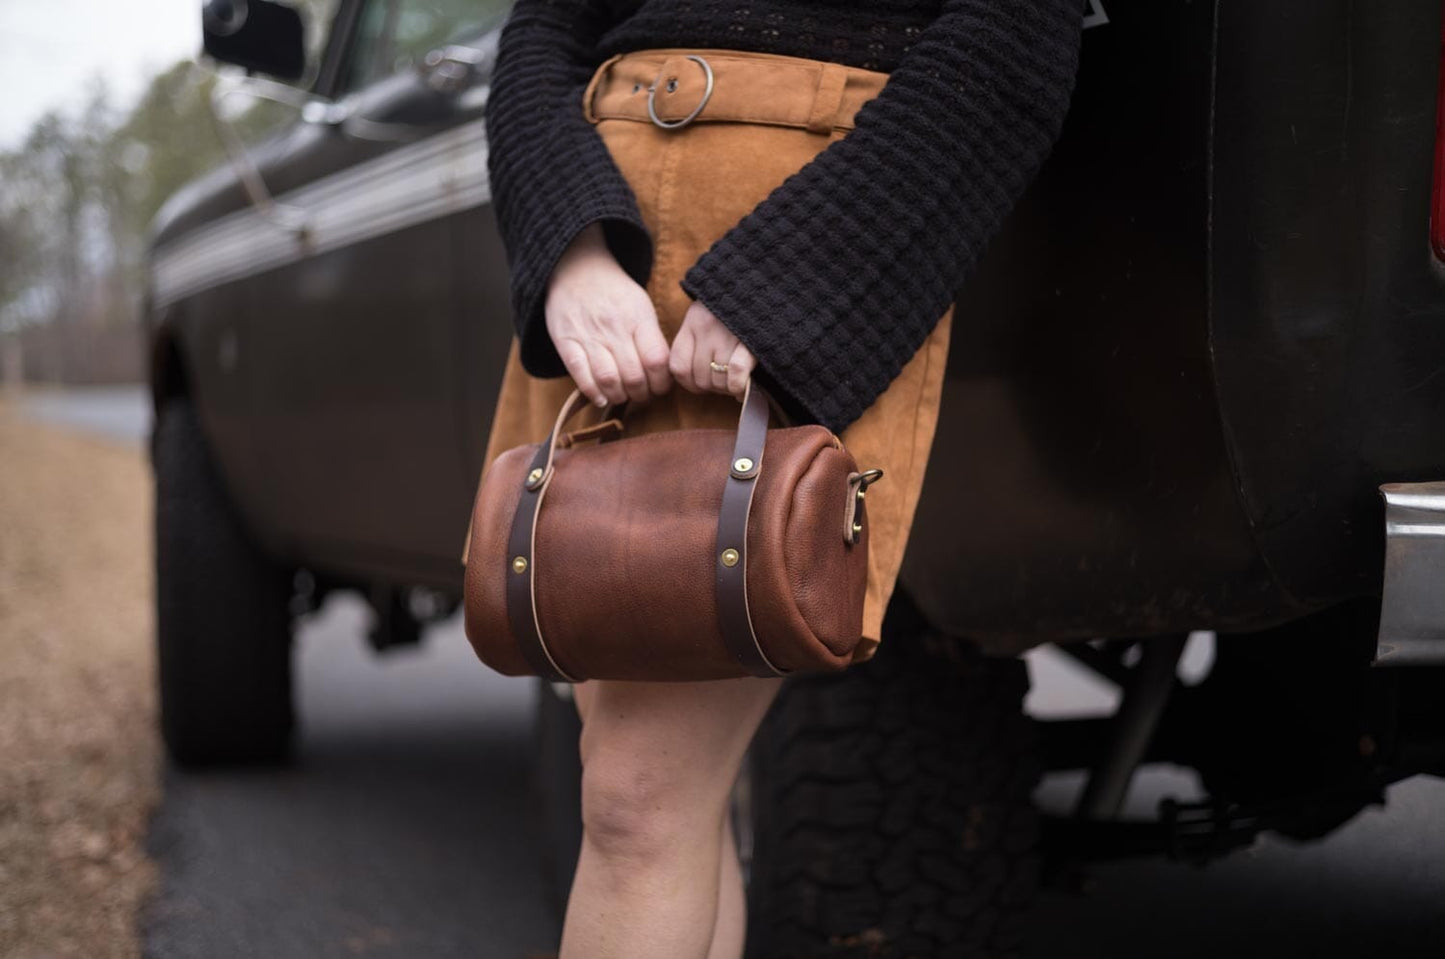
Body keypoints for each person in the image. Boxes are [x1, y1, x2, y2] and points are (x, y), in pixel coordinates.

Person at [479, 2, 1083, 956]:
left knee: (639, 800)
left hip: (805, 225)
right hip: (600, 273)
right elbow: (541, 31)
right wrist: (570, 251)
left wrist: (794, 288)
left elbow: (1015, 34)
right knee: (657, 794)